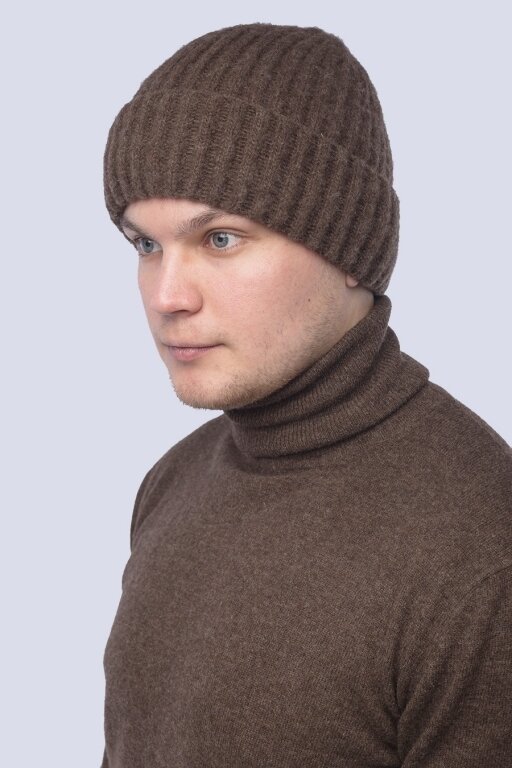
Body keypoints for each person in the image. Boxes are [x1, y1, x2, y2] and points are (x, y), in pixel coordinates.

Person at [100, 22, 512, 768]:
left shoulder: (480, 548)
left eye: (220, 239)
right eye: (146, 244)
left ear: (350, 250)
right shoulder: (173, 482)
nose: (166, 295)